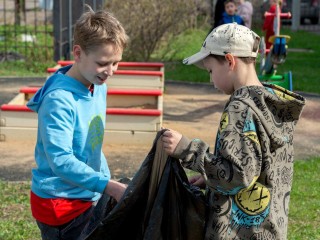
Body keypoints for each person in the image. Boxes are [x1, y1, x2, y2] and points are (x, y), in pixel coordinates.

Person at [162, 23, 305, 239]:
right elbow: (255, 166)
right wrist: (210, 178)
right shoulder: (268, 103)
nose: (211, 80)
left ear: (230, 61)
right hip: (269, 229)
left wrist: (187, 150)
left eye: (211, 70)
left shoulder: (240, 108)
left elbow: (238, 176)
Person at [27, 5, 129, 240]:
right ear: (78, 53)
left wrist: (105, 180)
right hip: (60, 203)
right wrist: (108, 186)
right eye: (103, 63)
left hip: (86, 192)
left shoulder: (96, 84)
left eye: (116, 62)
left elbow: (91, 143)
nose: (110, 71)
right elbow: (60, 161)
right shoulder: (58, 100)